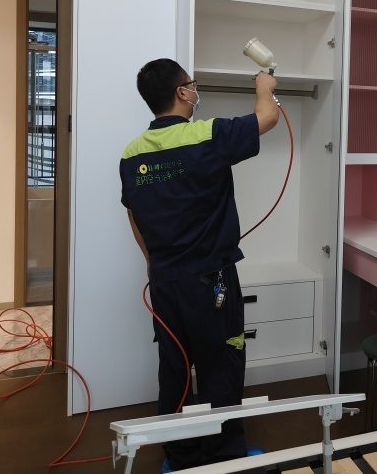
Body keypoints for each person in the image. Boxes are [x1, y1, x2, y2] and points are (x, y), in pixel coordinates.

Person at [119, 58, 278, 472]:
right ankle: (223, 459)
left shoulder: (132, 153)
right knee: (220, 366)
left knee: (174, 369)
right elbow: (267, 117)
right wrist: (264, 85)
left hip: (165, 283)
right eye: (191, 84)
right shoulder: (205, 134)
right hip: (212, 281)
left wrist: (154, 263)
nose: (194, 90)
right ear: (182, 92)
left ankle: (178, 458)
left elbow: (133, 215)